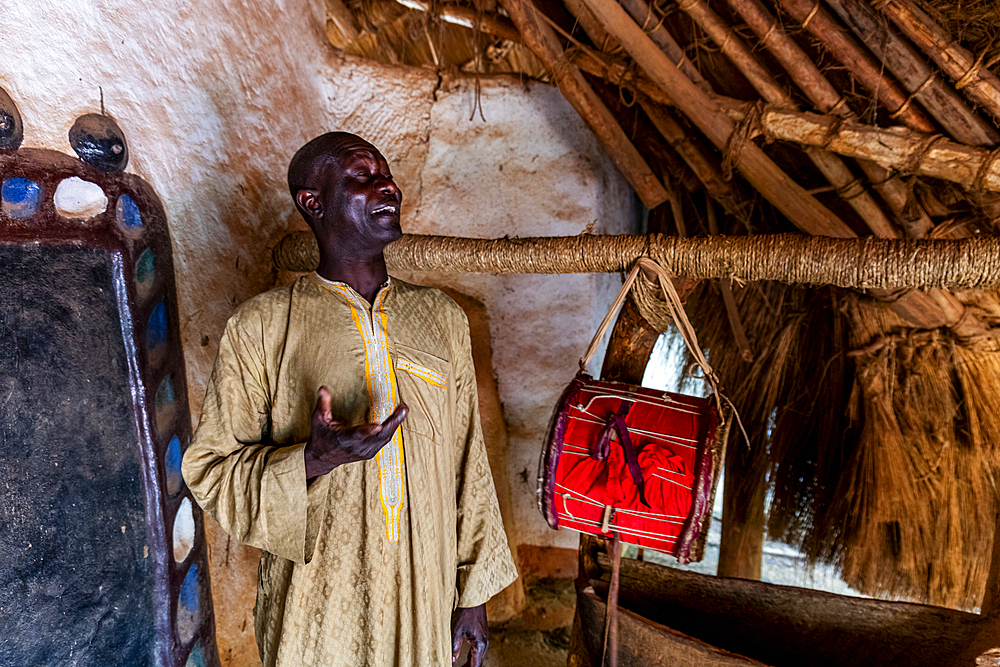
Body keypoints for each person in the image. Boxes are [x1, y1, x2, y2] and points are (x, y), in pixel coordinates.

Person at [182, 132, 518, 667]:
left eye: (386, 173)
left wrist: (472, 595)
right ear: (312, 203)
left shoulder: (441, 317)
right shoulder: (262, 326)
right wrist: (314, 460)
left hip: (423, 597)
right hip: (316, 605)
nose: (388, 185)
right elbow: (211, 471)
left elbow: (467, 461)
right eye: (363, 176)